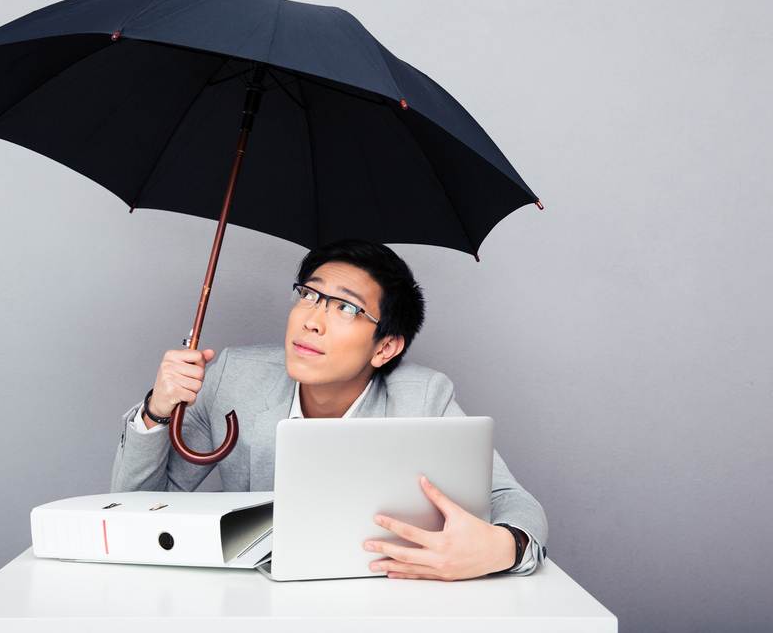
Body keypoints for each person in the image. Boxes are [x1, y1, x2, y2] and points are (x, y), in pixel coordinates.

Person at [111, 239, 547, 580]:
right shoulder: (234, 377)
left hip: (375, 595)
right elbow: (138, 509)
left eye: (345, 307)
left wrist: (503, 548)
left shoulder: (422, 397)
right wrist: (156, 411)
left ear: (386, 347)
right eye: (309, 295)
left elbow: (511, 500)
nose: (311, 319)